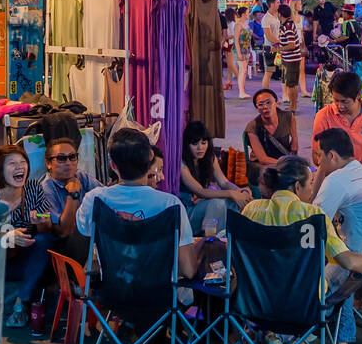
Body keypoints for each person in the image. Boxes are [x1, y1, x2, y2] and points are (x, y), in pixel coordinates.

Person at [243, 155, 362, 344]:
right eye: (311, 183)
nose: (312, 189)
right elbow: (348, 261)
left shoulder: (251, 210)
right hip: (304, 309)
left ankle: (275, 337)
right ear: (297, 186)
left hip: (255, 305)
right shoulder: (313, 215)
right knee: (343, 268)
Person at [76, 128, 201, 279]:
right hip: (158, 297)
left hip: (112, 295)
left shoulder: (95, 200)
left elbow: (84, 232)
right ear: (150, 156)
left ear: (113, 166)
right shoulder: (171, 204)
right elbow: (188, 271)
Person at [0, 144, 54, 328]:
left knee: (45, 240)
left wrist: (41, 220)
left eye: (23, 162)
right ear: (0, 172)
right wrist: (7, 236)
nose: (20, 167)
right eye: (12, 164)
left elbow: (48, 220)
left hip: (24, 262)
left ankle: (21, 304)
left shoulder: (34, 189)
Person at [314, 128, 362, 258]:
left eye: (319, 155)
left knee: (319, 277)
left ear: (331, 155)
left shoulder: (336, 180)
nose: (318, 162)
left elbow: (314, 224)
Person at [180, 119, 251, 235]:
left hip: (200, 205)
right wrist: (230, 194)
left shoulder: (210, 158)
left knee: (236, 203)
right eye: (195, 144)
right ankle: (209, 243)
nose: (200, 148)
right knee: (218, 203)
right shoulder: (182, 163)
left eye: (204, 143)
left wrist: (240, 192)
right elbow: (201, 191)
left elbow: (224, 182)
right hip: (187, 212)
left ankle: (231, 239)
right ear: (187, 144)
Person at [40, 138, 102, 260]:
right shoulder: (45, 189)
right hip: (61, 250)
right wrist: (73, 194)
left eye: (72, 157)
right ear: (48, 163)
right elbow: (64, 231)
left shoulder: (81, 176)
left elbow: (105, 198)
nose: (68, 163)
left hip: (87, 241)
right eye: (61, 158)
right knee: (78, 234)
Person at [245, 88, 298, 167]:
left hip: (283, 161)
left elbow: (294, 146)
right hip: (261, 166)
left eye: (269, 102)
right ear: (257, 108)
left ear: (277, 103)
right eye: (260, 104)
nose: (265, 106)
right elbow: (262, 159)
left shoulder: (288, 117)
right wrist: (285, 164)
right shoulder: (253, 126)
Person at [278, 2, 303, 114]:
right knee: (293, 84)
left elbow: (292, 44)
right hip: (292, 58)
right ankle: (293, 105)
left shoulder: (287, 26)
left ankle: (293, 106)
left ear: (280, 14)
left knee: (291, 84)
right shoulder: (288, 24)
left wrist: (279, 49)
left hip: (291, 59)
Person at [289, 0, 311, 100]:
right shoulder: (289, 17)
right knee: (293, 69)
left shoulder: (301, 18)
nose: (301, 6)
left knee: (302, 69)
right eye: (299, 4)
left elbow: (301, 32)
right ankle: (292, 92)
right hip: (291, 44)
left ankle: (303, 90)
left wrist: (304, 44)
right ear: (294, 5)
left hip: (300, 43)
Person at [261, 0, 281, 91]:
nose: (279, 4)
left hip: (278, 46)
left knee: (282, 71)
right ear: (272, 4)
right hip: (270, 47)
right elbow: (269, 36)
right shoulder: (266, 18)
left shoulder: (276, 16)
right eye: (277, 3)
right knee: (269, 72)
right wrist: (280, 41)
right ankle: (265, 93)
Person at [233, 6, 253, 99]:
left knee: (244, 71)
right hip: (239, 49)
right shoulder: (238, 25)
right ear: (243, 14)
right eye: (247, 12)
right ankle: (241, 92)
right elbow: (236, 40)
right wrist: (239, 53)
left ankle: (242, 91)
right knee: (243, 70)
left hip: (246, 49)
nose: (248, 14)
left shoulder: (246, 24)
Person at [222, 7, 239, 93]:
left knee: (231, 64)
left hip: (230, 44)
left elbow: (233, 35)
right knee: (229, 65)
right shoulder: (228, 23)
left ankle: (240, 80)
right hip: (227, 43)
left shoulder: (232, 24)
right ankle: (228, 82)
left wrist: (225, 37)